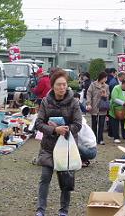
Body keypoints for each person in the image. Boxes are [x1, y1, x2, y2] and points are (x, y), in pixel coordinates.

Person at [35, 70, 82, 216]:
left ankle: (64, 211)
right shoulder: (45, 101)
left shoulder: (74, 102)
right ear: (52, 86)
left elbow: (78, 124)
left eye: (64, 84)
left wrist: (66, 130)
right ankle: (40, 210)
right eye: (58, 85)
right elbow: (38, 123)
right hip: (49, 146)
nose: (62, 87)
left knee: (66, 181)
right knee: (44, 178)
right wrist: (55, 130)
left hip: (66, 147)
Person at [86, 72, 110, 145]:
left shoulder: (106, 86)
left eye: (106, 78)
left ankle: (100, 139)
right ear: (101, 77)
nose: (106, 79)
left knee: (101, 124)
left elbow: (108, 96)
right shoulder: (93, 84)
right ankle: (94, 138)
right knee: (94, 123)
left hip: (102, 106)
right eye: (105, 78)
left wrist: (105, 95)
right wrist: (89, 103)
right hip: (94, 106)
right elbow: (89, 94)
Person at [109, 78, 125, 143]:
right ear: (124, 84)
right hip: (115, 109)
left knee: (124, 123)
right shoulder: (116, 88)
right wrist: (124, 103)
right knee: (115, 123)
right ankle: (116, 137)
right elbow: (114, 98)